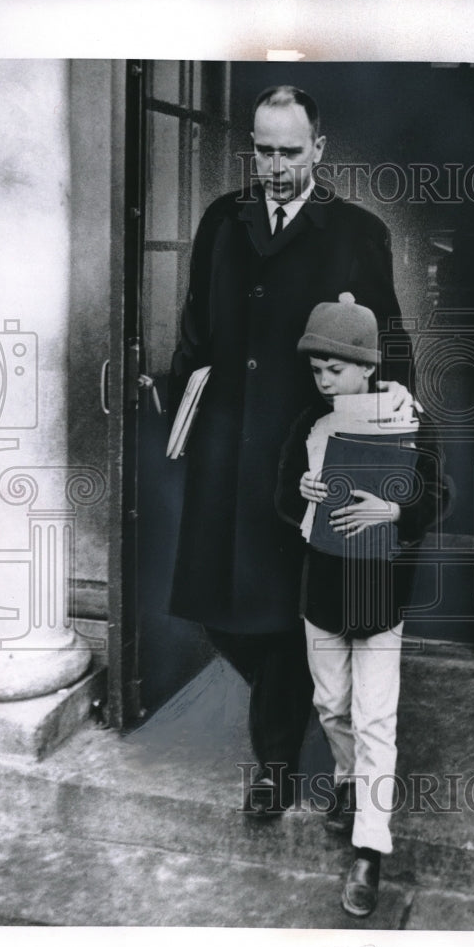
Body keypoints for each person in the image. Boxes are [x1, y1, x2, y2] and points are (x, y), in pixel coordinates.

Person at [168, 86, 415, 815]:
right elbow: (195, 329)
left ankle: (275, 764)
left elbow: (387, 347)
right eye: (262, 149)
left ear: (318, 150)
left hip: (304, 457)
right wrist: (191, 397)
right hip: (224, 450)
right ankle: (296, 727)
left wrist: (385, 435)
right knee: (220, 610)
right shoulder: (221, 220)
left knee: (291, 613)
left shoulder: (355, 232)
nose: (272, 166)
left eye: (288, 151)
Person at [275, 295, 449, 917]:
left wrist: (396, 510)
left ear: (367, 367)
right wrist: (300, 492)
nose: (324, 382)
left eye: (336, 371)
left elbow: (440, 494)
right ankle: (348, 779)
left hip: (381, 592)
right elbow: (281, 499)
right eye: (317, 370)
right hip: (321, 589)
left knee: (377, 718)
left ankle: (369, 850)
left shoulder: (411, 419)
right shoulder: (311, 425)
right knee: (331, 704)